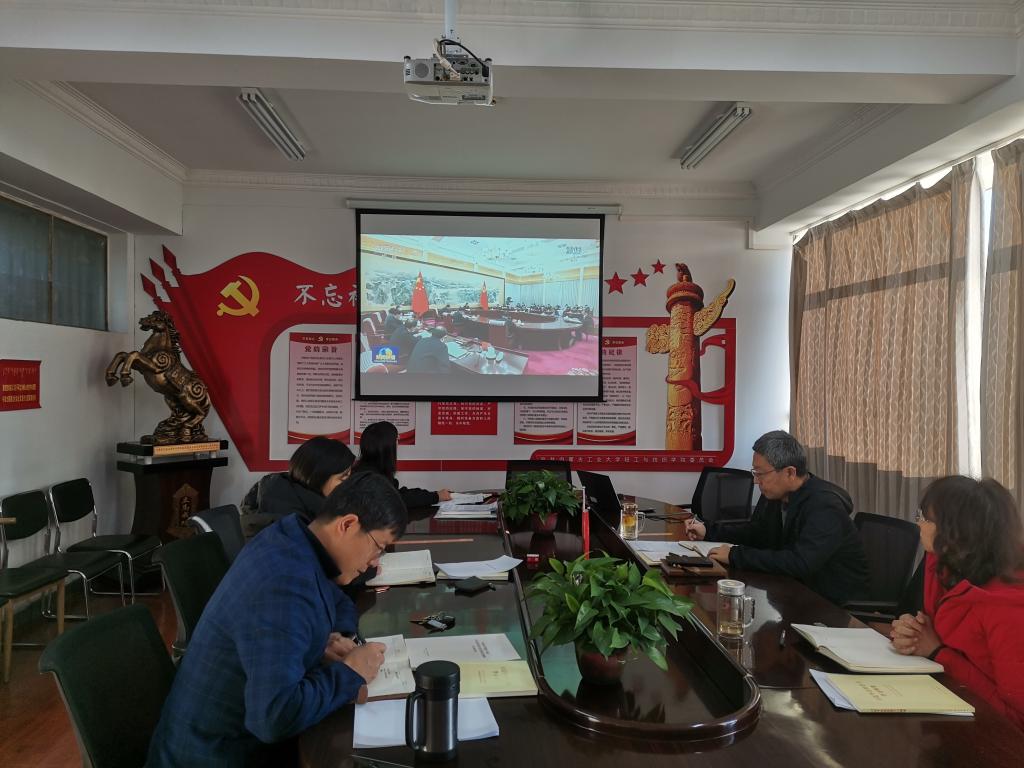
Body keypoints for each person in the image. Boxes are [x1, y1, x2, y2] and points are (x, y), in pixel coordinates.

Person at [147, 472, 406, 768]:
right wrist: (350, 672)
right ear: (347, 524)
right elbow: (274, 718)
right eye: (379, 547)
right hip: (216, 755)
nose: (375, 561)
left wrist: (334, 637)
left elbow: (336, 601)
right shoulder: (284, 582)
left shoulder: (293, 539)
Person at [890, 476, 1024, 730]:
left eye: (924, 517)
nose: (918, 523)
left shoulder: (1009, 609)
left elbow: (1017, 720)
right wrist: (913, 632)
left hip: (994, 738)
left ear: (954, 533)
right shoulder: (945, 567)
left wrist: (937, 652)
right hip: (948, 712)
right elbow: (935, 635)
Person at [684, 430, 868, 605]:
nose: (756, 481)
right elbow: (756, 533)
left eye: (761, 473)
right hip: (791, 590)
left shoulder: (825, 506)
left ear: (790, 472)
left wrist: (735, 555)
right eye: (755, 473)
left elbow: (801, 562)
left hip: (831, 602)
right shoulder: (776, 495)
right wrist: (709, 531)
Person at [239, 436, 355, 538]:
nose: (349, 484)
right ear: (318, 477)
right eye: (343, 477)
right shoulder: (292, 524)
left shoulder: (293, 498)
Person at [358, 420, 452, 508]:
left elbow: (398, 494)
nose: (397, 444)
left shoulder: (370, 470)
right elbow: (397, 500)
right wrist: (436, 496)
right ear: (386, 446)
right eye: (396, 440)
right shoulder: (370, 478)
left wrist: (435, 495)